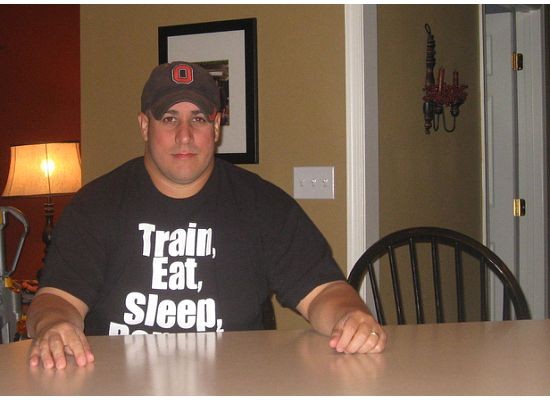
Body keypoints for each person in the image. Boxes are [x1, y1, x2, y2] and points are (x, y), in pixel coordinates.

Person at [26, 61, 386, 370]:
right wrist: (54, 326)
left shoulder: (263, 205)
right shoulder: (97, 205)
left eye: (198, 119)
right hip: (115, 382)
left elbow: (324, 291)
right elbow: (56, 299)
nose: (184, 136)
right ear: (144, 125)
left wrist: (349, 316)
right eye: (169, 118)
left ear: (216, 127)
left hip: (236, 381)